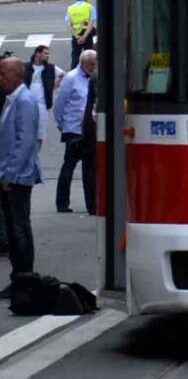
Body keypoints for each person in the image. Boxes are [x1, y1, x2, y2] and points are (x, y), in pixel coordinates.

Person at [0, 56, 42, 299]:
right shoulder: (12, 100)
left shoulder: (24, 100)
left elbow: (24, 143)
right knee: (15, 226)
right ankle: (18, 275)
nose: (1, 79)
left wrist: (10, 175)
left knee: (20, 227)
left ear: (16, 75)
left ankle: (24, 275)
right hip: (9, 173)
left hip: (17, 177)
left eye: (4, 74)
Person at [52, 50, 97, 214]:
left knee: (90, 169)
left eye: (95, 64)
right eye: (91, 64)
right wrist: (63, 125)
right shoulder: (71, 78)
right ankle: (62, 202)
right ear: (82, 63)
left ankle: (92, 204)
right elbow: (59, 105)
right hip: (73, 129)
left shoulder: (95, 78)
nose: (94, 67)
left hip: (89, 129)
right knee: (69, 165)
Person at [22, 45, 64, 148]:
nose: (47, 56)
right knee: (25, 133)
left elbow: (63, 75)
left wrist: (52, 87)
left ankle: (35, 157)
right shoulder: (26, 66)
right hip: (26, 104)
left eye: (47, 53)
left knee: (39, 135)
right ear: (37, 54)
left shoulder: (50, 68)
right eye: (45, 53)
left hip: (42, 106)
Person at [65, 0, 97, 70]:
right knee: (90, 55)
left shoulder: (70, 8)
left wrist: (77, 37)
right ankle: (90, 73)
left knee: (75, 56)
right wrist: (84, 37)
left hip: (76, 34)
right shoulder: (90, 7)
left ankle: (73, 72)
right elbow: (92, 23)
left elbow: (68, 24)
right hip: (87, 34)